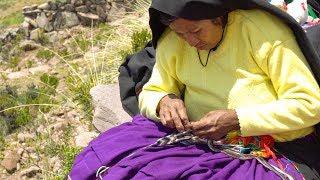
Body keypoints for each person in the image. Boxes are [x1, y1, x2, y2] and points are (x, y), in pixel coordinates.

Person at [69, 0, 320, 179]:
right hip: (200, 138)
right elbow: (152, 90)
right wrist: (163, 101)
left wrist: (237, 119)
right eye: (181, 33)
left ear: (219, 16)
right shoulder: (173, 38)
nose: (190, 41)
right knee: (107, 153)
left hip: (269, 147)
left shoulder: (263, 33)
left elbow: (310, 105)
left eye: (196, 31)